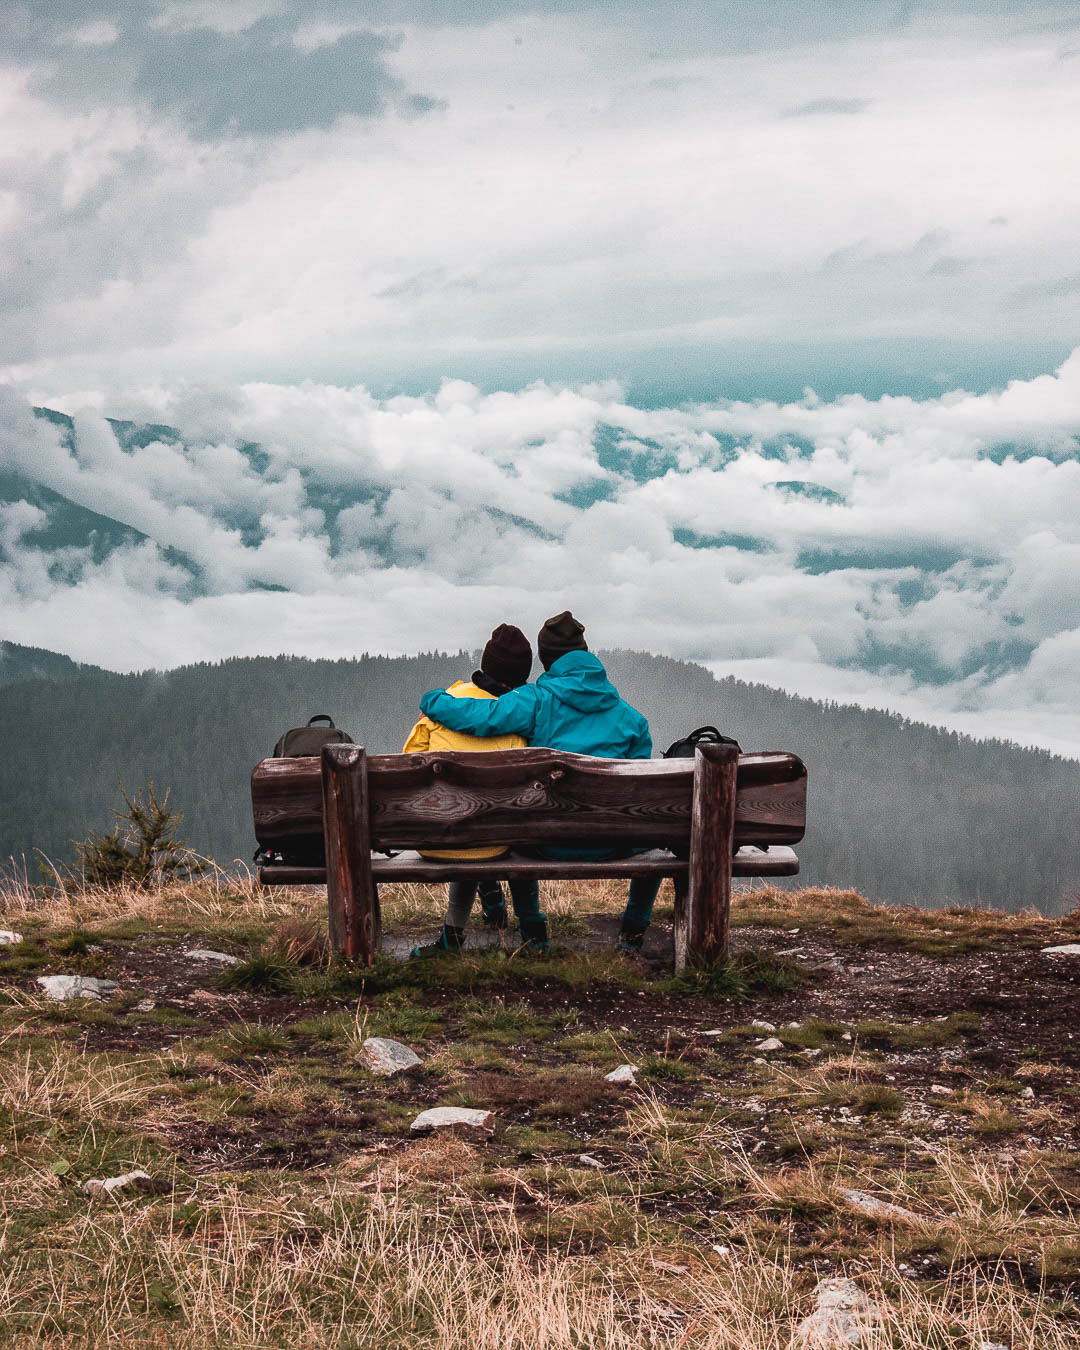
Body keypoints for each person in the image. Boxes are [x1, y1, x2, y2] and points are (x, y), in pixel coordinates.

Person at [419, 610, 662, 952]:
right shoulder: (631, 719)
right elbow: (643, 792)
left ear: (546, 661)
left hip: (546, 840)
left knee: (518, 834)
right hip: (613, 842)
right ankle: (633, 931)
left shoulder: (534, 702)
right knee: (659, 840)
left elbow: (478, 717)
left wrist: (433, 700)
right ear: (587, 654)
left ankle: (534, 932)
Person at [406, 624, 537, 957]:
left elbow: (406, 764)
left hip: (436, 840)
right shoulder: (518, 720)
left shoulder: (444, 705)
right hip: (492, 843)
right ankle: (526, 926)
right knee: (482, 825)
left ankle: (455, 935)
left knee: (458, 816)